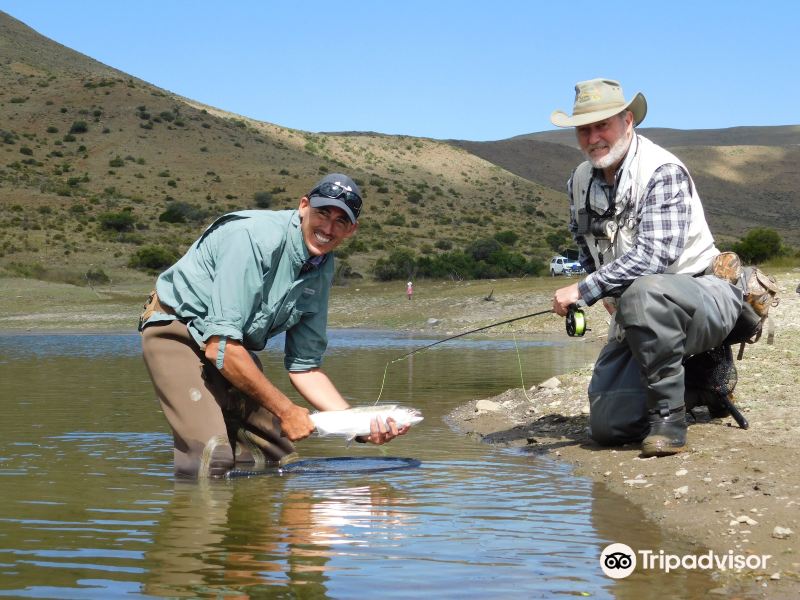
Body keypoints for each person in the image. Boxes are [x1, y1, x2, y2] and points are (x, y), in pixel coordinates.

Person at [140, 173, 408, 477]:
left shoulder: (322, 266)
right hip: (176, 332)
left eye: (340, 221)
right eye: (322, 213)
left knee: (277, 457)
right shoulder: (253, 237)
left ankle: (256, 521)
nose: (328, 228)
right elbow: (222, 348)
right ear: (303, 206)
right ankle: (200, 520)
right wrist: (286, 411)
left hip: (229, 350)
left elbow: (305, 368)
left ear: (351, 230)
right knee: (212, 456)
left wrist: (359, 428)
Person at [549, 78, 744, 457]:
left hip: (704, 296)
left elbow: (655, 257)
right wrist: (604, 291)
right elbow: (583, 243)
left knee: (644, 292)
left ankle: (669, 420)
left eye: (602, 125)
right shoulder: (578, 181)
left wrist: (587, 289)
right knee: (608, 427)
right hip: (640, 309)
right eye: (584, 129)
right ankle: (701, 384)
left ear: (627, 121)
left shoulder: (662, 170)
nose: (593, 138)